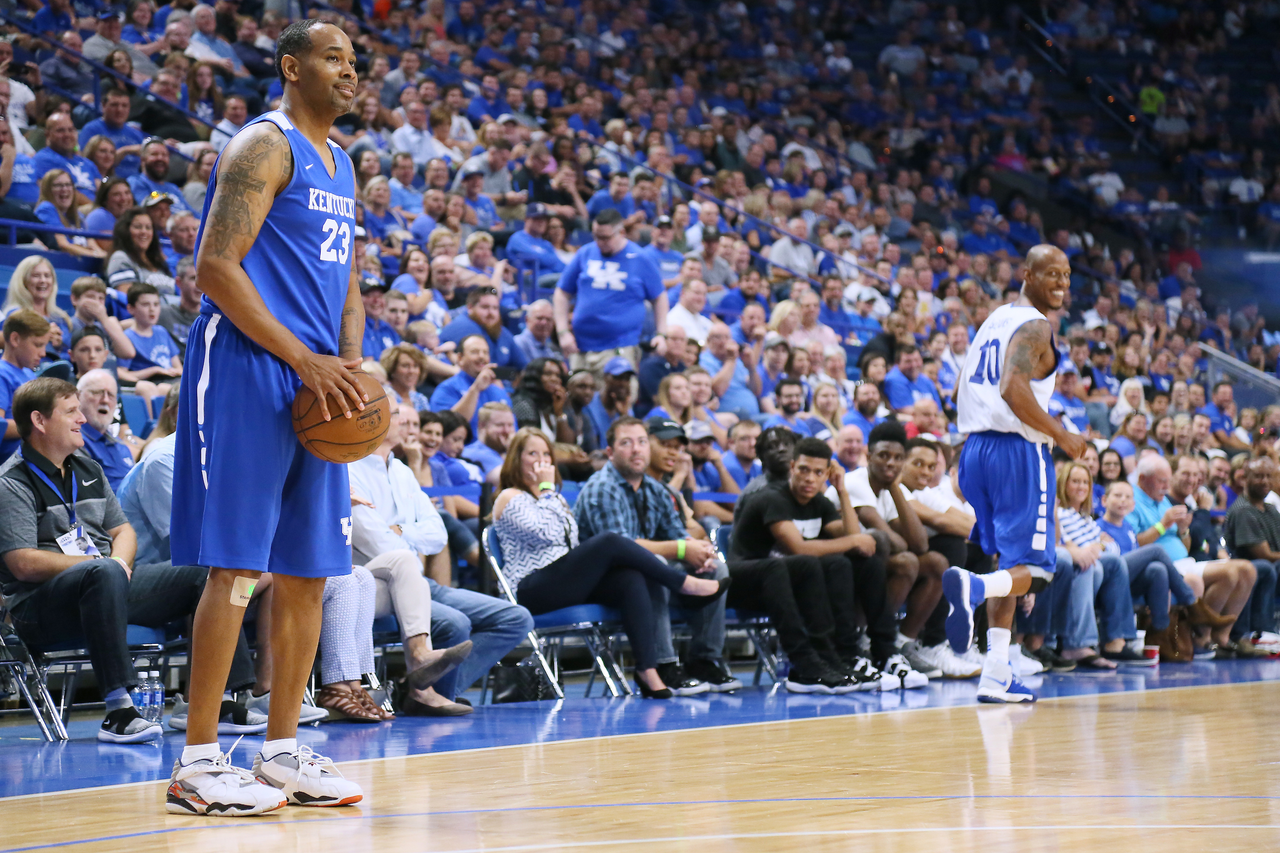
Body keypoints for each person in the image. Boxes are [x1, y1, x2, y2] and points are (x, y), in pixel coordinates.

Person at [167, 21, 370, 815]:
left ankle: (281, 750)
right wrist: (303, 358)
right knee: (238, 566)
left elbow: (348, 284)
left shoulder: (344, 164)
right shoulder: (265, 144)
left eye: (354, 61)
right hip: (251, 365)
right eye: (332, 58)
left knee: (310, 569)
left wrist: (347, 365)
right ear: (291, 67)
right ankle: (197, 759)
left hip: (317, 381)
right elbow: (214, 268)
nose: (348, 72)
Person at [0, 377, 223, 744]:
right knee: (100, 572)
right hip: (38, 608)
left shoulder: (87, 468)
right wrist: (102, 566)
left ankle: (219, 700)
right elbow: (22, 562)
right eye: (71, 411)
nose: (82, 419)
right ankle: (119, 710)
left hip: (106, 582)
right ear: (39, 421)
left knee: (206, 575)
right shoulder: (12, 482)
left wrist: (117, 564)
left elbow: (124, 532)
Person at [942, 245, 1090, 704]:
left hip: (976, 450)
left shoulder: (994, 320)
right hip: (1018, 453)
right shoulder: (1035, 326)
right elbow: (1012, 388)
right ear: (1027, 275)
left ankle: (996, 673)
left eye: (1066, 274)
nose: (1061, 283)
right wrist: (1061, 435)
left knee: (1010, 564)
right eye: (1051, 274)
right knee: (1039, 570)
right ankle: (972, 588)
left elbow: (962, 386)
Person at [492, 426, 727, 698]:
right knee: (609, 541)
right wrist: (546, 488)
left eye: (546, 454)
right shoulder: (509, 497)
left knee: (630, 577)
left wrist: (548, 493)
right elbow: (549, 532)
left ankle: (648, 669)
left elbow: (568, 543)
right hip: (530, 587)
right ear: (516, 460)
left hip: (562, 582)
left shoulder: (551, 498)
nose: (542, 460)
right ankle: (682, 583)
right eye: (532, 453)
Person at [348, 403, 530, 711]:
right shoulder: (349, 467)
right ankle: (428, 695)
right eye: (398, 417)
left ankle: (425, 690)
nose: (409, 427)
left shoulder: (403, 471)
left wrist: (401, 531)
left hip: (419, 580)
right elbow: (377, 543)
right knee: (455, 624)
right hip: (378, 584)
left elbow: (437, 533)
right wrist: (407, 541)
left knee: (516, 618)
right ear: (373, 421)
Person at [574, 417, 735, 693]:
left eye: (641, 442)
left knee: (716, 569)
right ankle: (664, 664)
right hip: (601, 582)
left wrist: (697, 552)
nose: (636, 449)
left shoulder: (654, 489)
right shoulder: (602, 488)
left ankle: (704, 660)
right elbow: (621, 548)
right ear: (610, 452)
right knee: (652, 565)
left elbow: (675, 531)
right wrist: (682, 549)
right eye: (626, 443)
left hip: (643, 577)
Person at [730, 436, 898, 691]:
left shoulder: (819, 503)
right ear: (792, 467)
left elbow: (854, 539)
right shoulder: (771, 497)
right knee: (810, 562)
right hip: (747, 580)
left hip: (789, 582)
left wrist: (842, 491)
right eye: (803, 470)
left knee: (856, 564)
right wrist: (854, 542)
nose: (809, 478)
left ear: (826, 475)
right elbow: (798, 548)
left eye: (818, 472)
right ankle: (806, 665)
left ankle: (863, 653)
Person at [1127, 455, 1259, 655]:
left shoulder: (1161, 500)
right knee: (1229, 575)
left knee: (1247, 570)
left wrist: (1182, 531)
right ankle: (1203, 638)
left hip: (1183, 560)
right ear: (1143, 478)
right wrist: (1163, 525)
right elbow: (1134, 543)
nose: (1165, 486)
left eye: (1167, 480)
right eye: (1161, 481)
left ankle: (1221, 637)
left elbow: (1185, 545)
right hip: (1164, 568)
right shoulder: (1131, 500)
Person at [553, 209, 669, 374]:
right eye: (596, 237)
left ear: (621, 232)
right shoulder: (586, 253)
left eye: (606, 238)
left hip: (620, 347)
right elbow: (562, 292)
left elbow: (659, 297)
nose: (600, 242)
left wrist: (661, 334)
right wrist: (563, 331)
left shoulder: (640, 258)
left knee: (616, 396)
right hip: (580, 347)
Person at [1223, 456, 1280, 650]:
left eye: (1268, 476)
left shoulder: (1271, 509)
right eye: (1258, 476)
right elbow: (1262, 554)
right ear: (1245, 478)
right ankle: (1261, 632)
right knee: (1266, 567)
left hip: (1270, 567)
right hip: (1247, 566)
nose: (1264, 481)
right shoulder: (1242, 510)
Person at [428, 335, 512, 432]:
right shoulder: (447, 389)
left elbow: (512, 428)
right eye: (474, 352)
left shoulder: (498, 390)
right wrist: (475, 389)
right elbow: (447, 428)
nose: (481, 356)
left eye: (485, 352)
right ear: (460, 358)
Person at [0, 310, 50, 462]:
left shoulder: (29, 374)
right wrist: (43, 426)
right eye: (37, 345)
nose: (43, 353)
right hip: (11, 468)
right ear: (15, 339)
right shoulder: (2, 373)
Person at [437, 286, 526, 371]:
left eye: (495, 308)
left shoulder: (501, 331)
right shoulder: (463, 326)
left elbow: (523, 366)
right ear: (470, 307)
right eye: (485, 307)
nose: (491, 313)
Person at [76, 370, 134, 492]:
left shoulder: (121, 445)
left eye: (111, 395)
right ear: (78, 397)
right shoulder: (74, 441)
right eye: (97, 392)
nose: (105, 400)